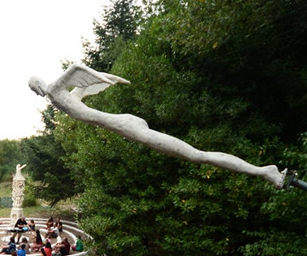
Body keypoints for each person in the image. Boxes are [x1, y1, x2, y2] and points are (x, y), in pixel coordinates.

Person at [29, 63, 285, 188]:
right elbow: (82, 92)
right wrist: (104, 79)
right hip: (124, 123)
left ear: (39, 84)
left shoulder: (55, 88)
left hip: (127, 126)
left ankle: (266, 171)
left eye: (34, 88)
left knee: (197, 155)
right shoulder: (62, 97)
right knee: (197, 156)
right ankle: (265, 172)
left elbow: (76, 69)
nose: (37, 92)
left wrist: (101, 76)